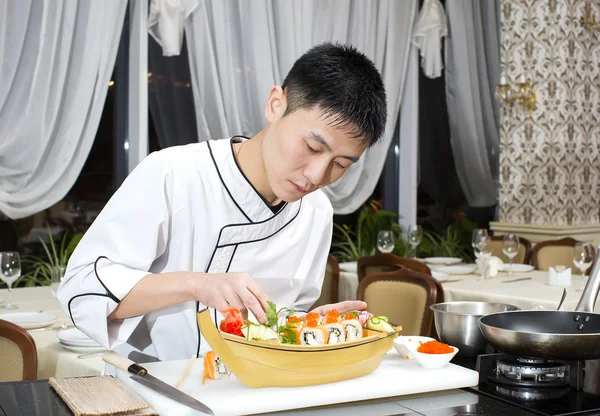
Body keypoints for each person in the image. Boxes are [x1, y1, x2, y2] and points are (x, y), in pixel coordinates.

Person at [58, 42, 387, 362]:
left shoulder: (317, 213)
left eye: (341, 164)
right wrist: (197, 284)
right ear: (276, 104)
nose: (317, 175)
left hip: (258, 393)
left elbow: (281, 318)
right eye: (313, 148)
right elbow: (83, 290)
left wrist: (308, 325)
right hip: (153, 386)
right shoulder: (174, 173)